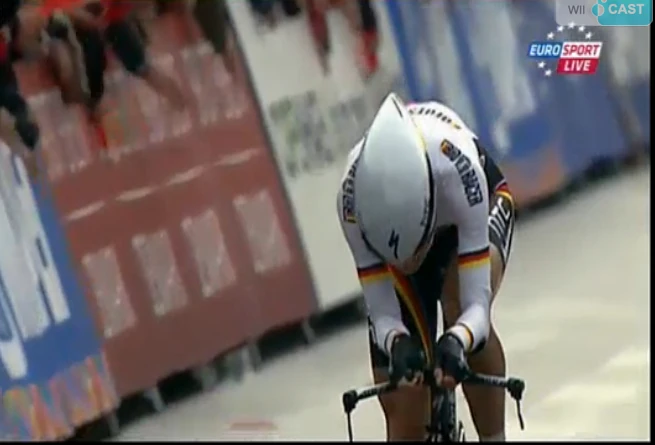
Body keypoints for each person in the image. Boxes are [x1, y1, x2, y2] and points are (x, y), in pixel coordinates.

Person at [337, 93, 516, 441]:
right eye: (400, 258)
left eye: (415, 251)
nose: (409, 263)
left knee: (458, 305)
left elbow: (476, 307)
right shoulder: (350, 203)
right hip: (407, 226)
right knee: (405, 396)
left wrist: (457, 339)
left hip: (464, 216)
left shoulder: (461, 172)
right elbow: (382, 313)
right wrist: (398, 343)